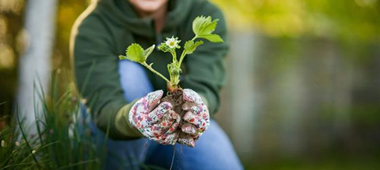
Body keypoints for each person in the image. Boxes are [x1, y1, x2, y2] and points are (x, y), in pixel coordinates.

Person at [70, 0, 243, 169]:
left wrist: (197, 106)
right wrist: (134, 118)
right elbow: (105, 107)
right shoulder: (93, 26)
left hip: (179, 127)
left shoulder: (203, 13)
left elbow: (206, 87)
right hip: (116, 136)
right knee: (129, 74)